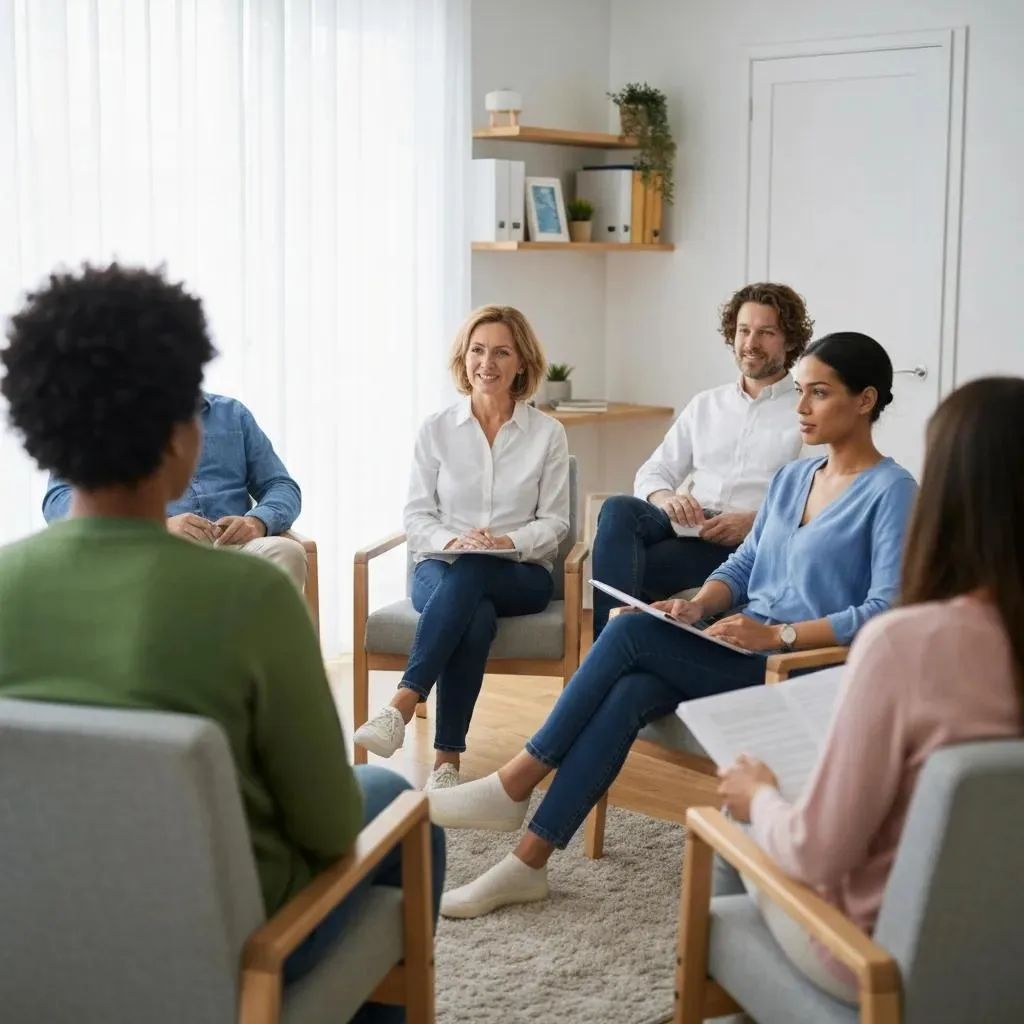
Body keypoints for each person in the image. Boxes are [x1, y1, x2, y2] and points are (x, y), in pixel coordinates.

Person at [0, 263, 445, 1013]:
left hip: (37, 937)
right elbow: (330, 825)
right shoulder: (253, 598)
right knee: (397, 806)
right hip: (230, 947)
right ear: (180, 437)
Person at [425, 332, 917, 919]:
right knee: (633, 688)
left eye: (818, 393)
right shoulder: (795, 479)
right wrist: (698, 607)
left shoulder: (892, 492)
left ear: (865, 401)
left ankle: (517, 780)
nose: (802, 407)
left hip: (799, 670)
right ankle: (527, 864)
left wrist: (780, 636)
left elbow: (884, 610)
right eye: (800, 392)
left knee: (629, 632)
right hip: (739, 641)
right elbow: (742, 565)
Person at [715, 375, 1024, 1004]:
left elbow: (816, 854)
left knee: (732, 809)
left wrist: (761, 799)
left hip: (877, 959)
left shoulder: (908, 644)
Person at [353, 305, 570, 792]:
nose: (486, 363)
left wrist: (505, 542)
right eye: (477, 350)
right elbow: (416, 515)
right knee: (471, 611)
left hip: (522, 576)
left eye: (500, 352)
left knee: (473, 573)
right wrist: (455, 541)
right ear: (464, 358)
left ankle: (402, 704)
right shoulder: (435, 429)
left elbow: (556, 522)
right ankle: (446, 764)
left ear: (521, 363)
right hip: (440, 565)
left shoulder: (548, 434)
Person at [592, 282, 816, 639]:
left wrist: (754, 522)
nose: (750, 343)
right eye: (743, 331)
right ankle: (607, 639)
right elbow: (653, 471)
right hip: (686, 527)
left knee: (633, 564)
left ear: (789, 341)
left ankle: (615, 642)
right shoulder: (706, 404)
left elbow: (818, 501)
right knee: (619, 509)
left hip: (742, 549)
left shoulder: (805, 411)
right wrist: (668, 499)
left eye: (766, 332)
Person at [42, 391, 307, 592]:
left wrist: (257, 521)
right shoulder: (104, 422)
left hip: (237, 548)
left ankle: (255, 662)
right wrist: (154, 527)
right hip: (153, 550)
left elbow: (282, 485)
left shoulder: (233, 414)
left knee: (286, 552)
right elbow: (59, 500)